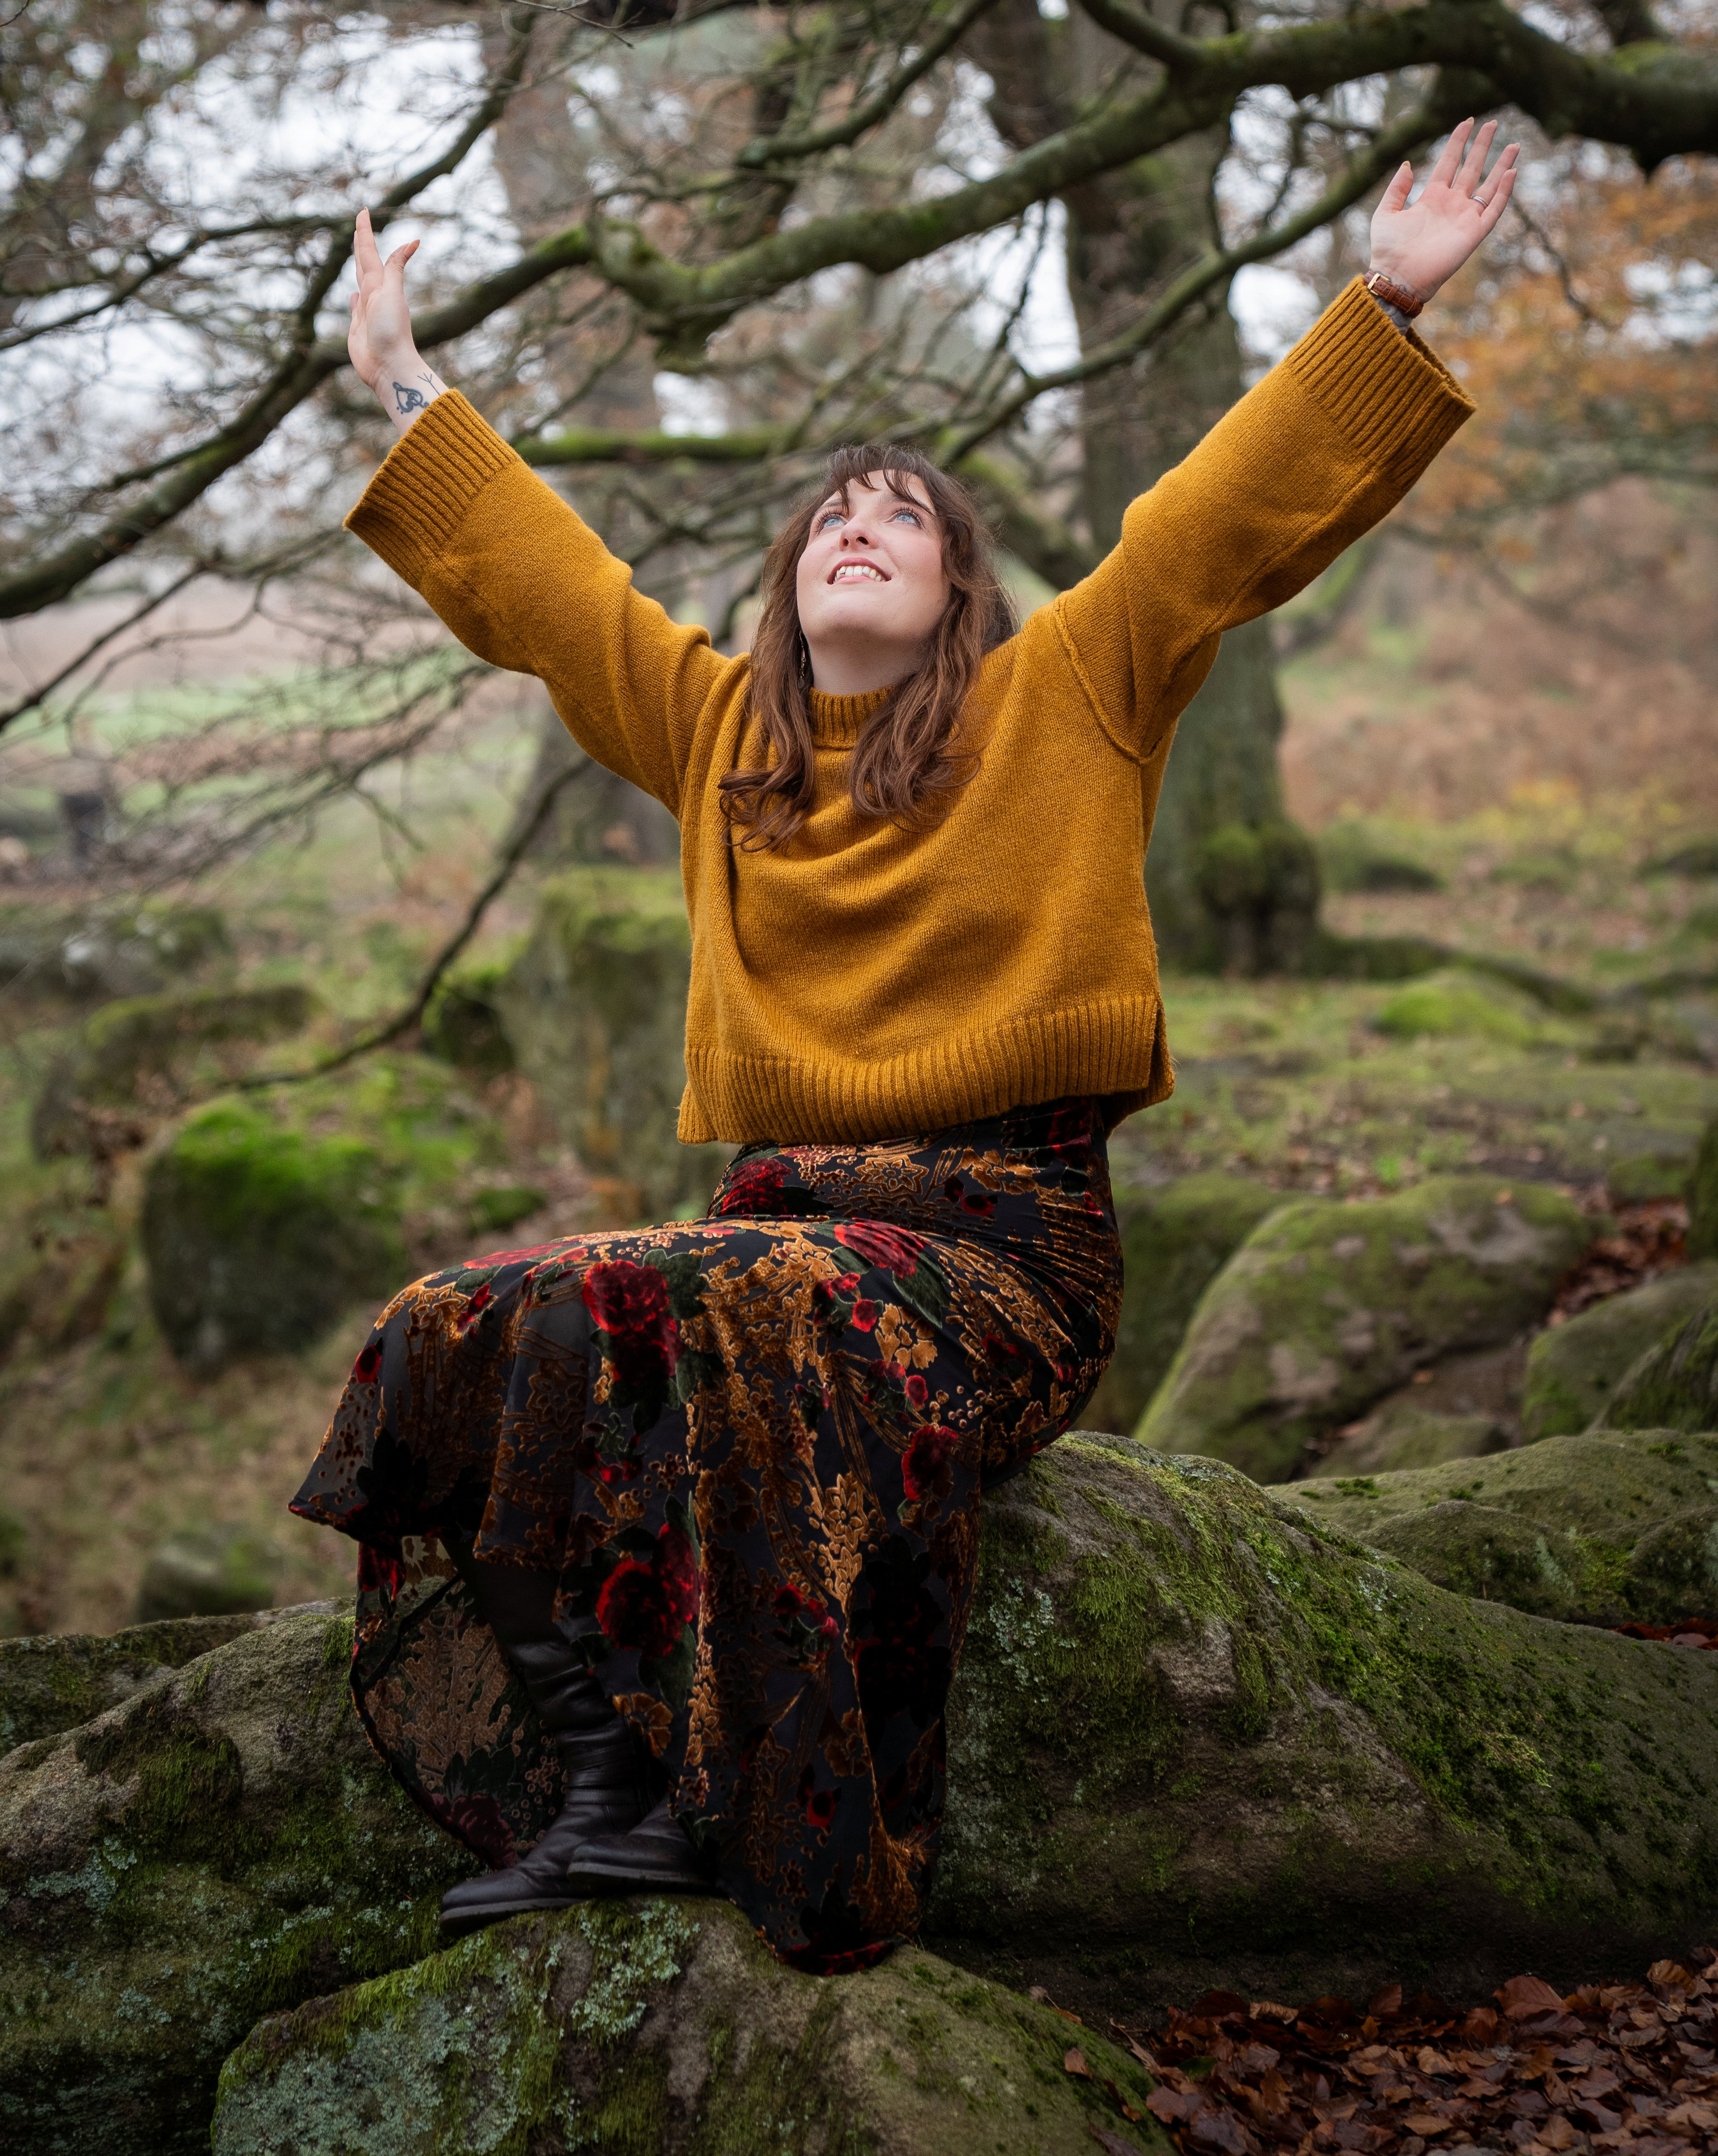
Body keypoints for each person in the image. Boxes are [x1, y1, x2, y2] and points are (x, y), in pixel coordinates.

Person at [291, 119, 1518, 1972]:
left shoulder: (1069, 693)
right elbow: (548, 592)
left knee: (714, 1297)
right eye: (829, 518)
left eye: (904, 518)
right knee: (454, 1326)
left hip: (999, 1263)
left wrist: (1379, 306)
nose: (857, 526)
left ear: (956, 590)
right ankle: (609, 1792)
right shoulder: (714, 740)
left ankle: (804, 1845)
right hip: (764, 1249)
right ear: (792, 585)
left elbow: (1211, 525)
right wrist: (400, 381)